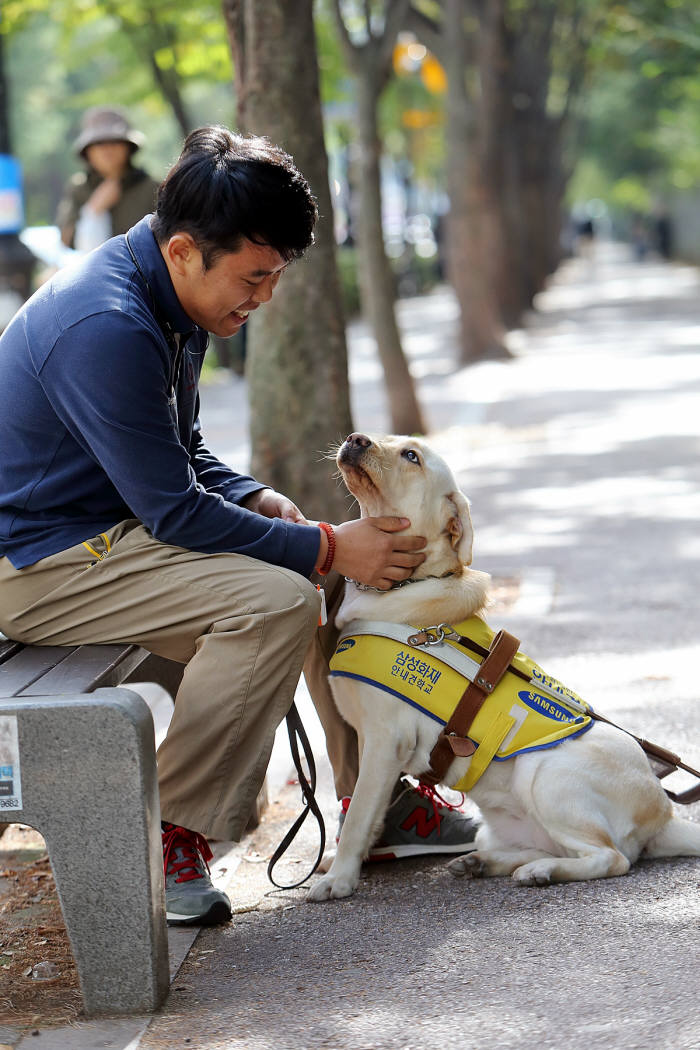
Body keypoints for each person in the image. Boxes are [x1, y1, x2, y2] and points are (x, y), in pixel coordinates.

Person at [0, 125, 477, 927]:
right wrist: (329, 543)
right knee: (279, 599)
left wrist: (256, 497)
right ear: (186, 251)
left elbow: (179, 451)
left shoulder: (165, 293)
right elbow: (175, 509)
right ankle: (170, 835)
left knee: (308, 571)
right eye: (252, 278)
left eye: (275, 278)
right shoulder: (108, 324)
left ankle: (374, 800)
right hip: (37, 563)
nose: (262, 299)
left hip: (108, 537)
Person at [56, 106, 160, 252]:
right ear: (87, 151)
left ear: (128, 147)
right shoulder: (78, 188)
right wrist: (93, 209)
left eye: (115, 141)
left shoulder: (151, 188)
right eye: (99, 143)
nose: (107, 149)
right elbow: (65, 239)